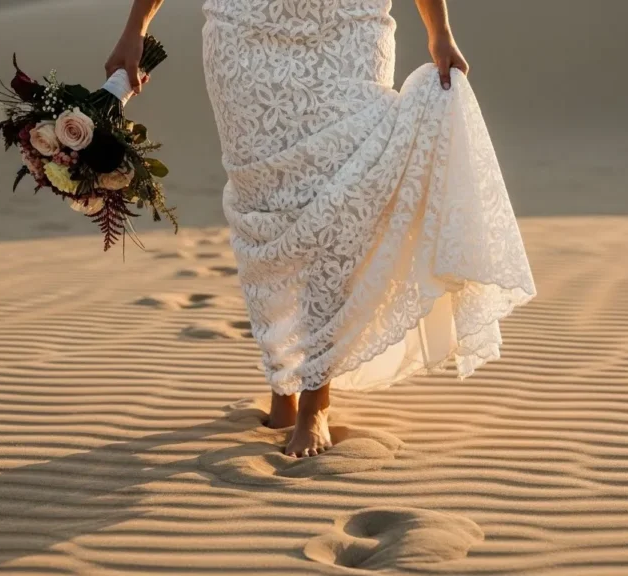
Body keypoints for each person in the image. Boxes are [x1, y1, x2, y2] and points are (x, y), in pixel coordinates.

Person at [107, 0, 536, 458]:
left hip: (347, 29)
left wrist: (440, 30)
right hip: (245, 35)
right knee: (263, 205)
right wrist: (136, 28)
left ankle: (316, 396)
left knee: (341, 204)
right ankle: (282, 379)